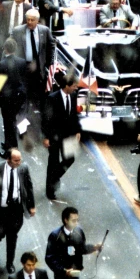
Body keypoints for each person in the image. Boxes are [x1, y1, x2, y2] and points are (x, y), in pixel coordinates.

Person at [0, 149, 35, 274]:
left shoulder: (23, 168)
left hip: (16, 210)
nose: (19, 162)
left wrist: (31, 206)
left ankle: (10, 263)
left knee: (12, 237)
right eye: (16, 160)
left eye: (20, 160)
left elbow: (29, 187)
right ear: (8, 159)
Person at [42, 72, 81, 200]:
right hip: (54, 136)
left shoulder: (74, 96)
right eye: (74, 85)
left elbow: (74, 115)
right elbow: (46, 119)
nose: (76, 88)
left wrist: (77, 131)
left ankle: (53, 178)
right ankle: (50, 190)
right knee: (53, 162)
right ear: (67, 86)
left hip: (69, 135)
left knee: (70, 159)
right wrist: (46, 137)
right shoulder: (52, 98)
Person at [12, 8, 55, 105]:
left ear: (37, 20)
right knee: (23, 92)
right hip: (24, 66)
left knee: (38, 93)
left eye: (32, 20)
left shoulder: (45, 30)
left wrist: (50, 62)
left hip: (39, 67)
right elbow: (10, 45)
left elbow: (51, 46)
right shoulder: (17, 31)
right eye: (28, 19)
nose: (29, 22)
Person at [0, 38, 28, 158]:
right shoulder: (22, 62)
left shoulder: (2, 64)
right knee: (11, 122)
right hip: (18, 97)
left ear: (5, 49)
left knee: (9, 124)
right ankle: (8, 144)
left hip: (7, 99)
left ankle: (11, 149)